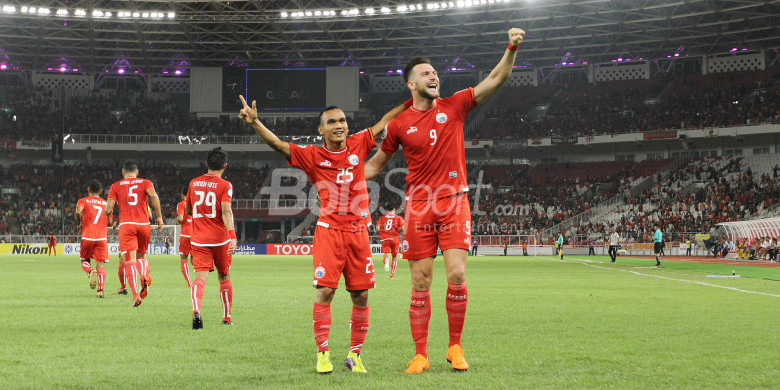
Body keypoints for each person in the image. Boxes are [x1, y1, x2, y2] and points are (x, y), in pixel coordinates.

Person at [363, 27, 526, 373]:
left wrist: (511, 47)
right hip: (419, 206)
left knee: (455, 273)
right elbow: (376, 165)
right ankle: (420, 353)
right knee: (420, 281)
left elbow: (497, 78)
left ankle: (455, 347)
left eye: (435, 72)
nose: (433, 75)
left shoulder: (456, 105)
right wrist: (342, 175)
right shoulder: (398, 125)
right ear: (411, 84)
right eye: (425, 73)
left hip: (454, 201)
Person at [239, 95, 407, 374]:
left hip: (359, 233)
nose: (339, 125)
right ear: (321, 130)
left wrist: (412, 102)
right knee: (326, 292)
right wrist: (256, 122)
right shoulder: (312, 155)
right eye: (332, 122)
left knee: (361, 297)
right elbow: (279, 145)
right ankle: (323, 353)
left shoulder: (359, 142)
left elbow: (385, 121)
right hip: (330, 231)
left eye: (342, 120)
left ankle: (355, 355)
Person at [186, 147, 237, 329]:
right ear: (225, 166)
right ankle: (226, 317)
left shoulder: (193, 183)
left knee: (200, 278)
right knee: (224, 276)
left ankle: (196, 310)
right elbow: (226, 210)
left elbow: (188, 209)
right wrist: (232, 236)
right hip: (220, 239)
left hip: (199, 239)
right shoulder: (225, 185)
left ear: (206, 164)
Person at [105, 160, 164, 307]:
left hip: (127, 226)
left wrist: (111, 213)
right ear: (137, 172)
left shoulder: (115, 186)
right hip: (143, 224)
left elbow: (108, 210)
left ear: (123, 172)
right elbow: (154, 196)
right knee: (141, 256)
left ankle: (136, 295)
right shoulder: (146, 182)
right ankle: (144, 275)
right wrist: (159, 217)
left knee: (129, 260)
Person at [75, 180, 111, 298]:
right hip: (101, 237)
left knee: (84, 261)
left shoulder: (83, 201)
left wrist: (79, 222)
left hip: (87, 236)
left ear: (88, 190)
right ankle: (100, 290)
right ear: (100, 191)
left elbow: (78, 212)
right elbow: (110, 221)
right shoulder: (106, 203)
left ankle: (91, 271)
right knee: (101, 265)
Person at [378, 206, 404, 280]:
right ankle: (392, 275)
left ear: (387, 210)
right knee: (394, 257)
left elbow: (377, 228)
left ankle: (386, 260)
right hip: (394, 239)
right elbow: (403, 228)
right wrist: (397, 229)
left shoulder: (382, 218)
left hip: (385, 238)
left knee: (386, 255)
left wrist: (384, 229)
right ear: (394, 209)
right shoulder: (398, 217)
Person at [176, 186, 193, 287]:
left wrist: (177, 220)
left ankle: (189, 283)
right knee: (195, 258)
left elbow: (181, 219)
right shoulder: (195, 204)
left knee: (183, 259)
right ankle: (199, 281)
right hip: (196, 234)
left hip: (185, 234)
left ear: (182, 195)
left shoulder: (181, 204)